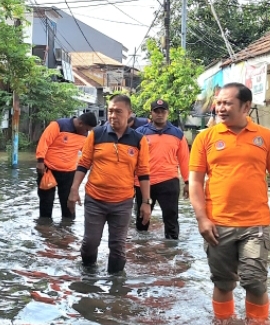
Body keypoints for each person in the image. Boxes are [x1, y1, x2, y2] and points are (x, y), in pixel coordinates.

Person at [189, 83, 270, 320]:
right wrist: (202, 219)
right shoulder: (205, 138)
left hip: (255, 224)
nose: (220, 108)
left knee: (255, 282)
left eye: (227, 103)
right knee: (223, 284)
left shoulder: (267, 138)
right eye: (219, 103)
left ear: (246, 106)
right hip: (217, 224)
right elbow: (194, 181)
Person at [68, 94, 152, 274]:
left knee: (118, 247)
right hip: (95, 200)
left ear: (129, 113)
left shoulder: (139, 140)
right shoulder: (96, 135)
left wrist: (146, 202)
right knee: (90, 243)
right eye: (110, 111)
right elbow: (83, 164)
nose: (113, 115)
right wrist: (74, 189)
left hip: (123, 202)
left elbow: (143, 172)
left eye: (118, 111)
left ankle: (115, 291)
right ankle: (88, 279)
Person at [135, 99, 190, 239]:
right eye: (156, 111)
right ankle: (140, 253)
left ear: (167, 113)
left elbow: (184, 159)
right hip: (144, 183)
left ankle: (171, 254)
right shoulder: (140, 133)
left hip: (169, 182)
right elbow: (131, 159)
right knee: (142, 221)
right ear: (151, 113)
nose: (160, 114)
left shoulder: (177, 134)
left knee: (171, 221)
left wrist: (188, 182)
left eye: (163, 111)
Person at [35, 112, 98, 219]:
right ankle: (45, 230)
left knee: (69, 204)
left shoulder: (84, 135)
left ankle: (68, 230)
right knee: (46, 203)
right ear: (80, 123)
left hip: (69, 173)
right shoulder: (58, 125)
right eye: (86, 129)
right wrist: (40, 161)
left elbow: (87, 152)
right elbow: (44, 141)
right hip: (48, 170)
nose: (87, 132)